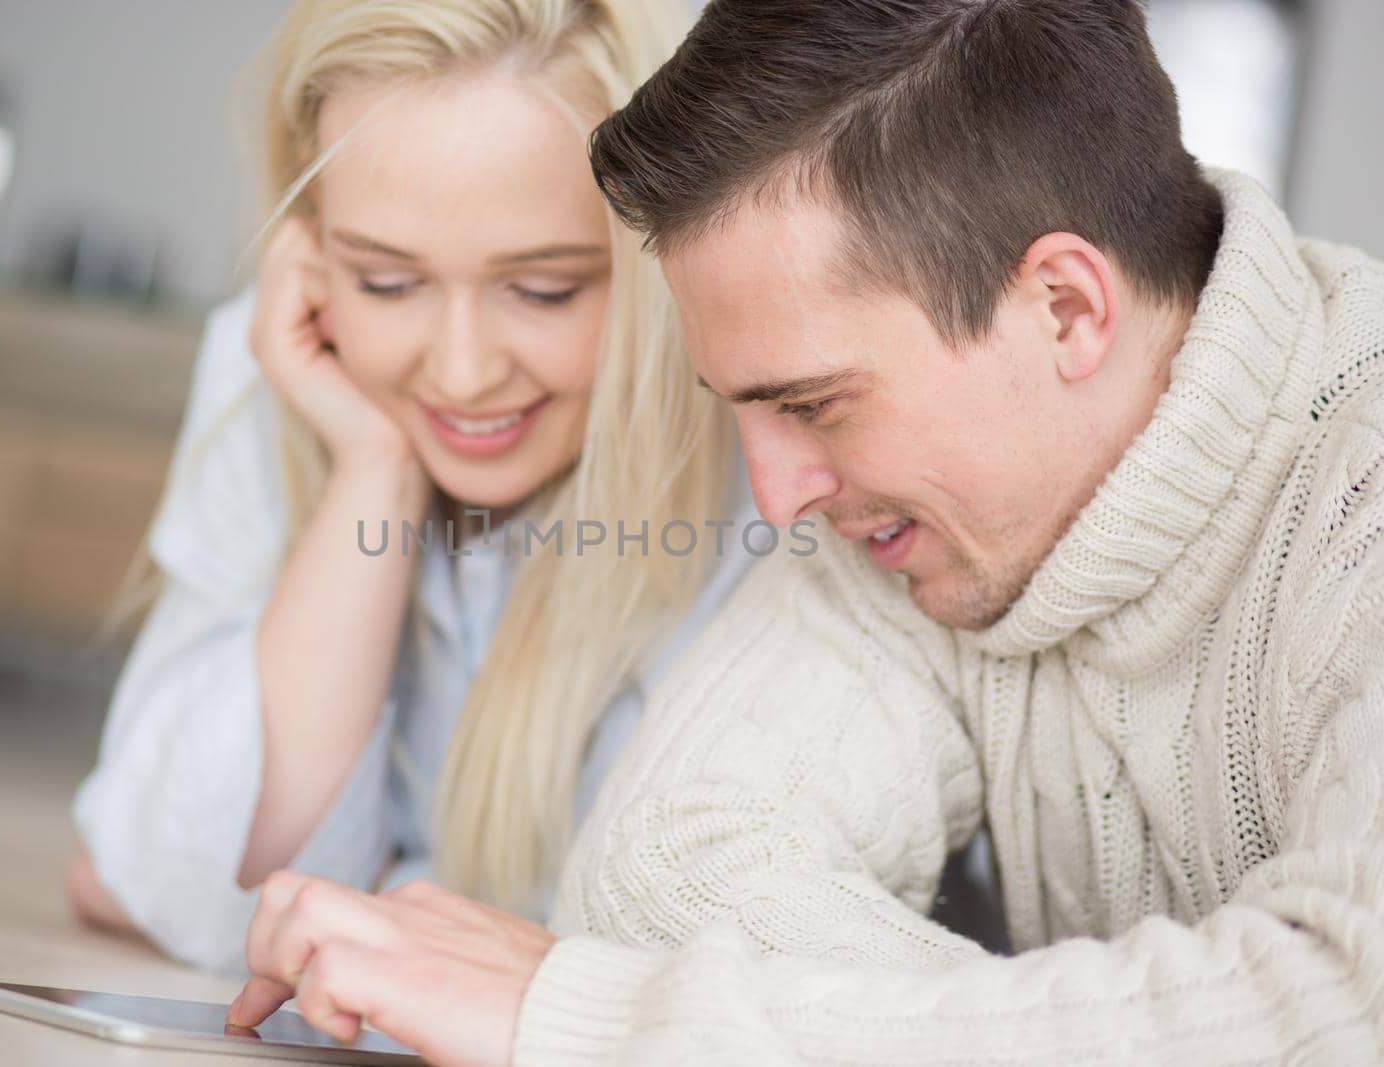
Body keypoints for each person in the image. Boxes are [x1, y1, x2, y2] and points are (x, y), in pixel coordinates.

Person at [223, 0, 1384, 1064]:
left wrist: (590, 1019)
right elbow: (664, 878)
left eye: (814, 401)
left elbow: (1346, 1007)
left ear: (1066, 307)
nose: (777, 496)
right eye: (745, 410)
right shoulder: (924, 527)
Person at [65, 0, 759, 976]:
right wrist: (370, 470)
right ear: (309, 253)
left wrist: (376, 892)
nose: (465, 372)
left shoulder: (764, 431)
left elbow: (713, 930)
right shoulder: (278, 362)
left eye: (545, 288)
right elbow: (191, 893)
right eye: (387, 282)